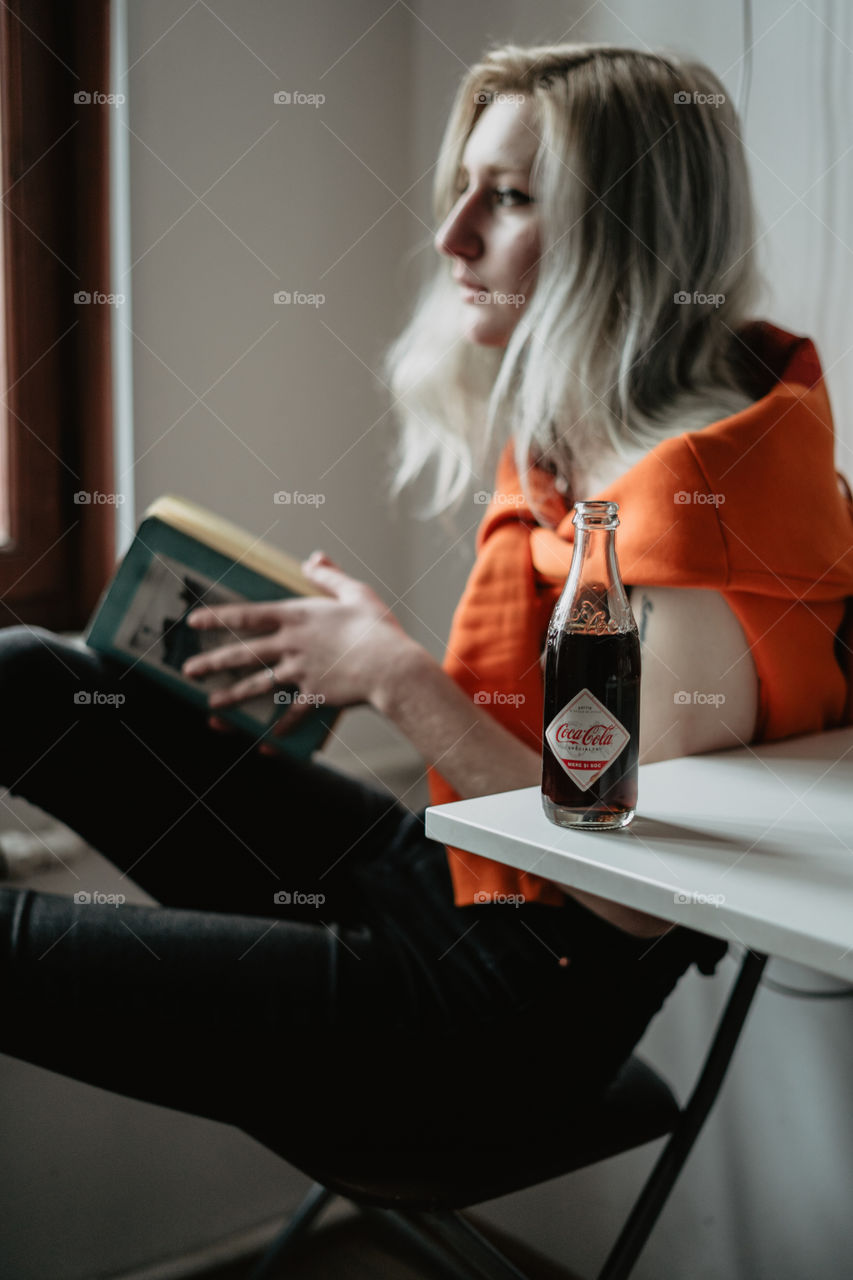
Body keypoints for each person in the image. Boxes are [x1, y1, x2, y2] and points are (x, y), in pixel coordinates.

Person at [1, 43, 852, 1165]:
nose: (451, 237)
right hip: (432, 873)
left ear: (623, 235)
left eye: (504, 199)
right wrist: (345, 654)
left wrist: (394, 676)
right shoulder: (583, 439)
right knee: (27, 672)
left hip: (489, 1022)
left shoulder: (692, 517)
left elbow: (633, 889)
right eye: (464, 188)